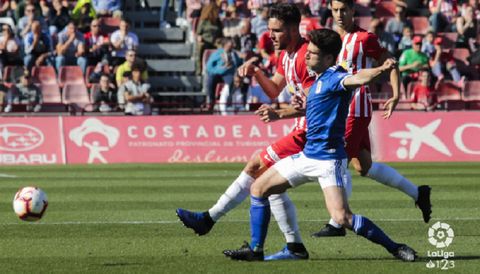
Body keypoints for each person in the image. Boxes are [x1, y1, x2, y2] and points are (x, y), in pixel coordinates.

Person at [222, 28, 416, 262]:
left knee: (342, 217)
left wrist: (381, 70)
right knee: (258, 188)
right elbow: (312, 108)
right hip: (307, 155)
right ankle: (256, 250)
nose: (306, 56)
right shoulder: (318, 80)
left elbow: (359, 77)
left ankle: (396, 248)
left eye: (313, 54)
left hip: (328, 160)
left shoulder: (337, 77)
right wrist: (280, 112)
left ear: (327, 58)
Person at [177, 3, 315, 261]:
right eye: (270, 29)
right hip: (302, 130)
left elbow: (318, 104)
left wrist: (280, 114)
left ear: (294, 29)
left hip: (311, 134)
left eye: (277, 30)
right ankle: (295, 246)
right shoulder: (286, 55)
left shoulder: (307, 56)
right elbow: (274, 90)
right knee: (270, 183)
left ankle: (209, 219)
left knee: (255, 165)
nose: (270, 35)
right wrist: (256, 72)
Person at [312, 0, 431, 238]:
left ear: (353, 11)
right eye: (335, 10)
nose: (339, 14)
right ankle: (419, 193)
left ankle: (336, 223)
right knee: (362, 166)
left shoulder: (365, 39)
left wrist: (396, 94)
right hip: (340, 108)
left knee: (338, 160)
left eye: (343, 10)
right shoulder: (332, 40)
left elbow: (390, 61)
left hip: (356, 107)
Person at [205, 37, 242, 109]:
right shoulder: (217, 53)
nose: (232, 45)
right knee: (210, 80)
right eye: (230, 43)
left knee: (233, 81)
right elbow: (209, 67)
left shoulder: (234, 54)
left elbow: (238, 63)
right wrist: (221, 69)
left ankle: (229, 101)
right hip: (217, 73)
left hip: (228, 74)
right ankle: (211, 101)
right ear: (225, 45)